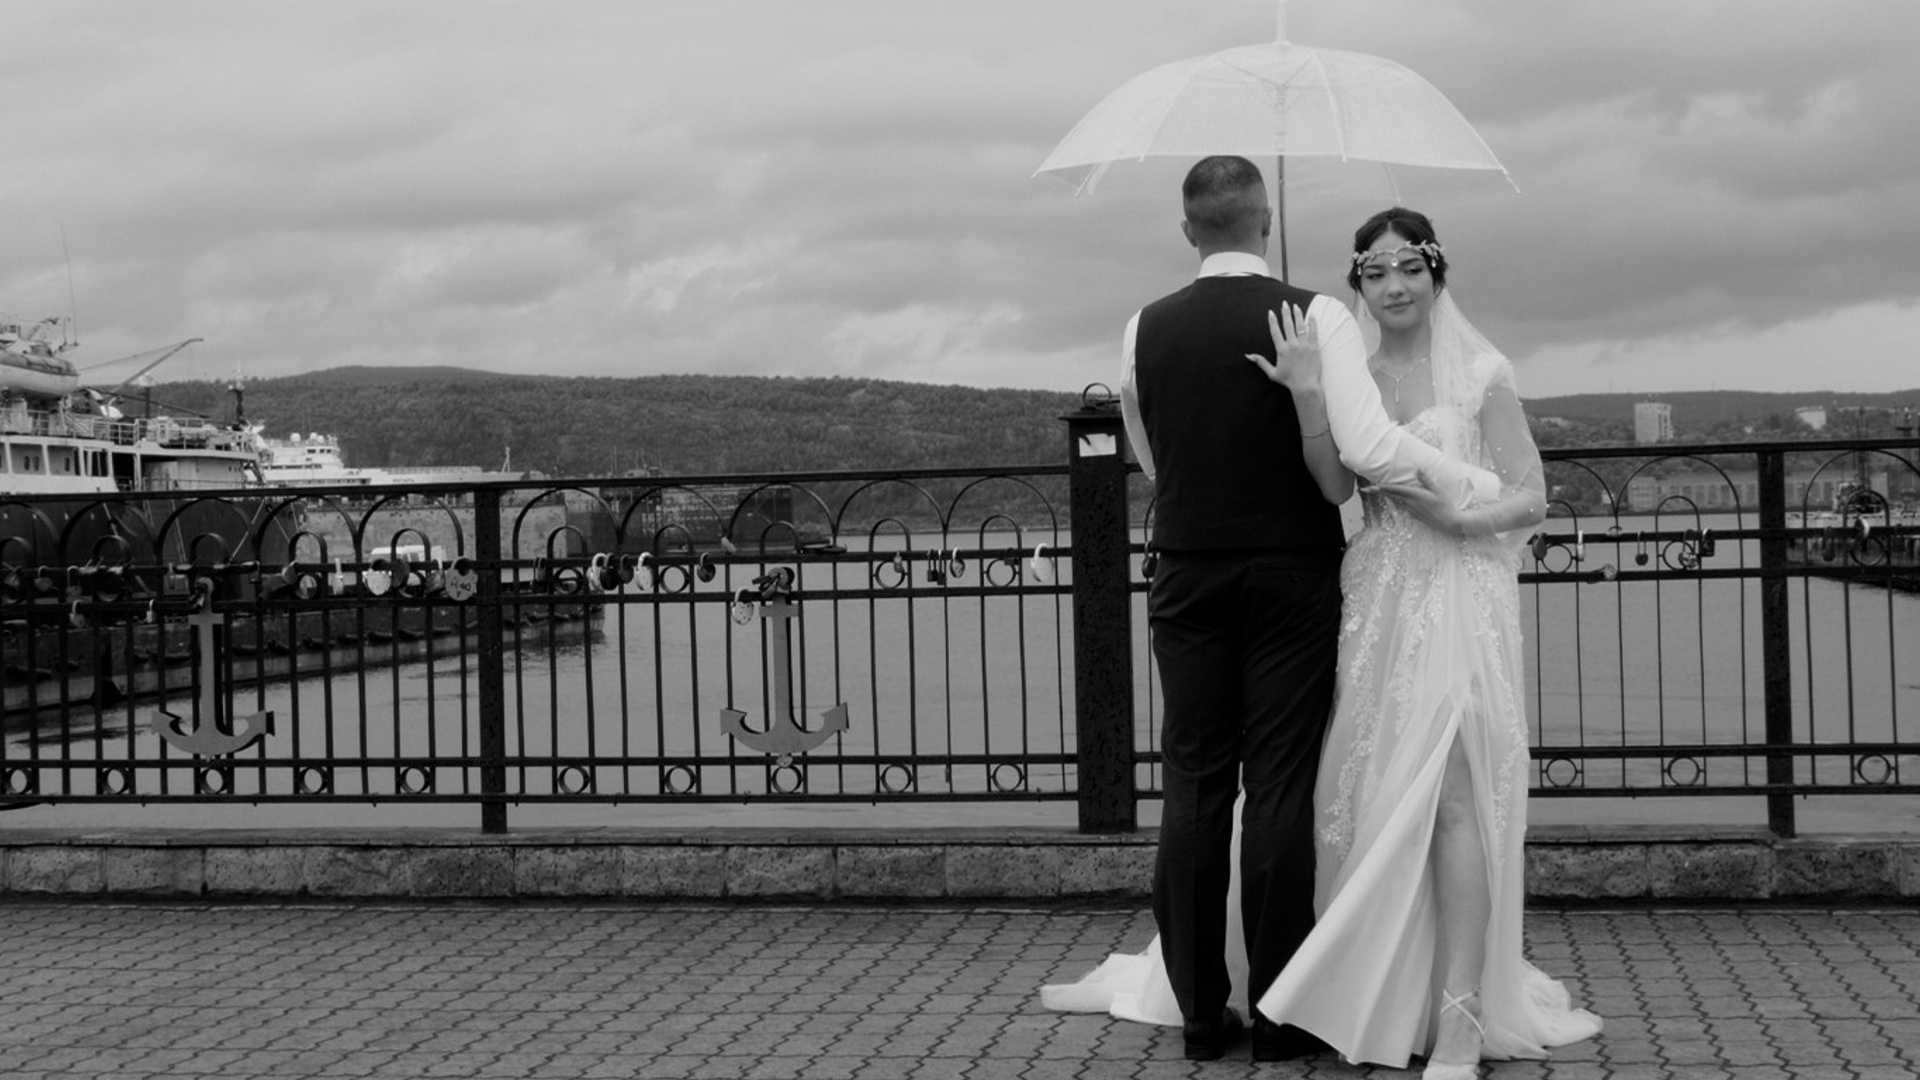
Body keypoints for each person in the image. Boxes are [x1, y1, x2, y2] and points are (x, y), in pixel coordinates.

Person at [1043, 204, 1604, 1076]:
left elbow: (1530, 496)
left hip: (1456, 596)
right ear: (1355, 283)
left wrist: (1463, 513)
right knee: (1359, 797)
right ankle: (1362, 990)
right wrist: (1308, 395)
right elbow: (1339, 479)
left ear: (1437, 273)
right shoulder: (1348, 367)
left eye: (1407, 268)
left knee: (1452, 794)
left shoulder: (1485, 372)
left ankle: (1455, 1013)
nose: (1391, 286)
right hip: (1375, 594)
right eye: (1373, 273)